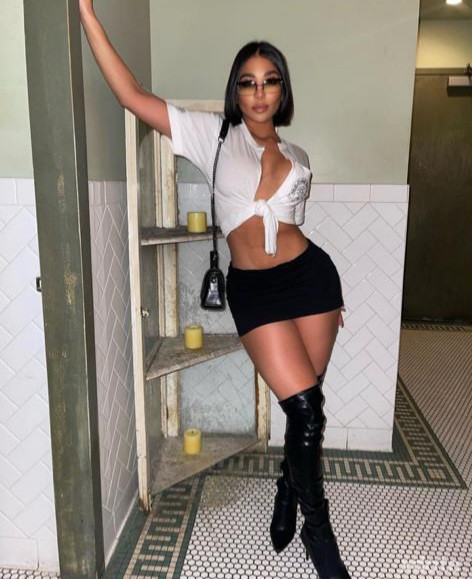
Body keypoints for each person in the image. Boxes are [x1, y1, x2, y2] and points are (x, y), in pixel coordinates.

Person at [80, 2, 350, 577]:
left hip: (313, 283)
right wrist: (86, 13)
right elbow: (131, 94)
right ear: (236, 90)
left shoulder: (298, 157)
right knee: (305, 409)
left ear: (282, 90)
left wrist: (333, 297)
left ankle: (288, 487)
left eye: (270, 81)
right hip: (256, 291)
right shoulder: (213, 136)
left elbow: (294, 232)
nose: (259, 92)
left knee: (308, 407)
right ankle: (318, 530)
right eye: (248, 82)